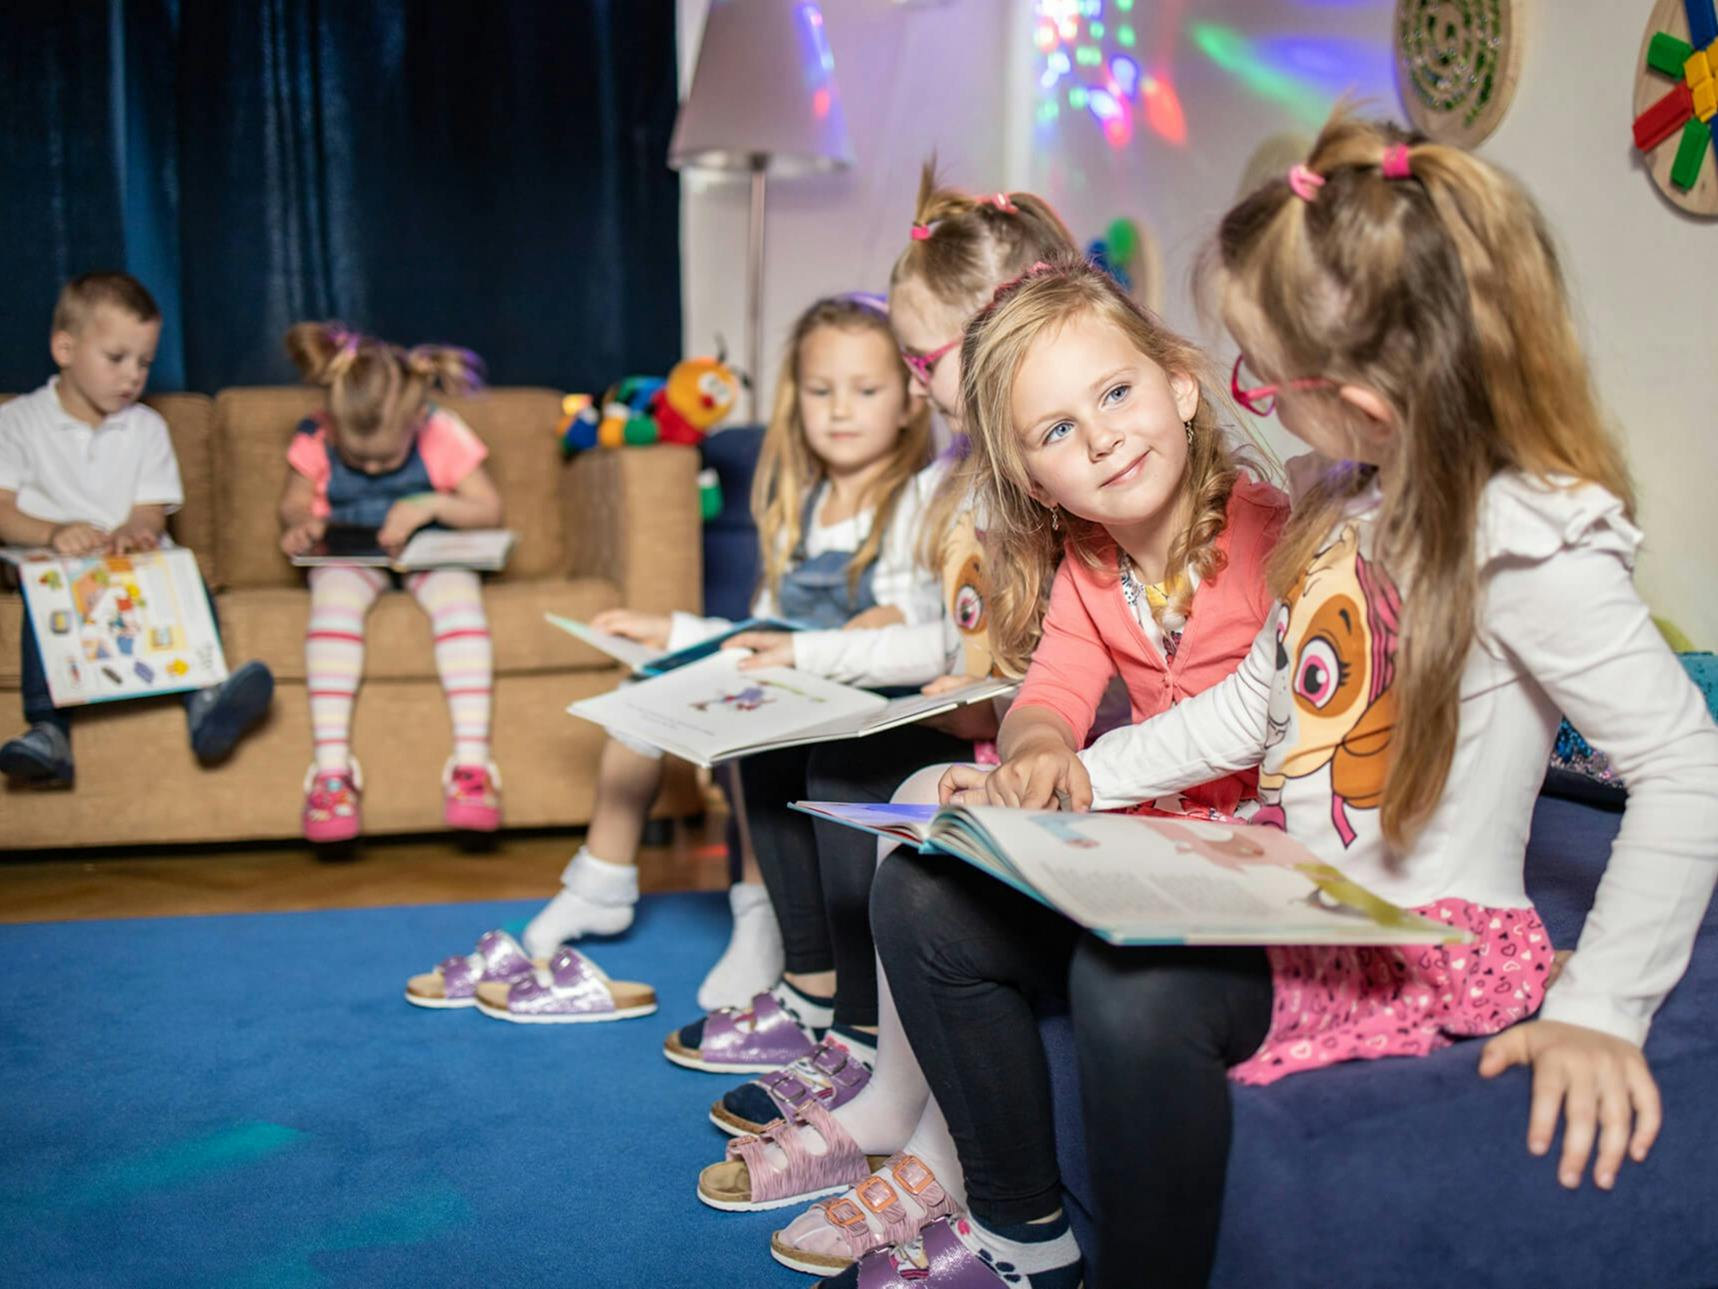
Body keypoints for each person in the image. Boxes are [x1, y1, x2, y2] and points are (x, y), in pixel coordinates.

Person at [874, 112, 1718, 1288]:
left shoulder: (1525, 538)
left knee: (1136, 990)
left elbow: (1686, 767)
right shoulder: (1348, 503)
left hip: (1410, 938)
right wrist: (1071, 782)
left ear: (1361, 394)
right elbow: (1254, 707)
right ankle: (1025, 1236)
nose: (1255, 398)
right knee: (928, 893)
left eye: (1264, 373)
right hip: (1283, 876)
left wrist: (1600, 1006)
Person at [726, 260, 1285, 1281]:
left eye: (1115, 393)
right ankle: (1022, 1227)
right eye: (1058, 429)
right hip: (1144, 845)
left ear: (1180, 385)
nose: (1102, 436)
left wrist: (1081, 771)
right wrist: (1032, 750)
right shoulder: (1091, 567)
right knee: (919, 894)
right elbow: (1048, 694)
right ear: (1033, 480)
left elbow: (1271, 715)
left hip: (1255, 871)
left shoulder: (1272, 535)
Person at [518, 293, 939, 1015]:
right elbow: (762, 626)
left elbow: (904, 624)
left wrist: (855, 630)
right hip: (787, 670)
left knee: (752, 724)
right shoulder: (801, 505)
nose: (841, 410)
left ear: (908, 400)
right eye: (821, 391)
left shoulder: (910, 504)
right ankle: (602, 878)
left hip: (860, 694)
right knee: (644, 683)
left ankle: (758, 912)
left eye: (866, 391)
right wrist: (674, 633)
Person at [0, 271, 273, 785]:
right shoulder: (17, 422)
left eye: (144, 363)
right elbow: (3, 510)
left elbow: (152, 511)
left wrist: (135, 531)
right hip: (53, 564)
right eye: (117, 358)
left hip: (128, 566)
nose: (132, 376)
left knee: (184, 573)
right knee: (45, 590)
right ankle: (47, 730)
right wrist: (54, 534)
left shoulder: (148, 428)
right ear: (64, 348)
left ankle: (206, 702)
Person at [278, 321, 501, 841]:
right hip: (352, 553)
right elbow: (292, 503)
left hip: (430, 553)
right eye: (358, 458)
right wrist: (302, 523)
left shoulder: (441, 430)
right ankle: (332, 773)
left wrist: (431, 505)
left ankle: (472, 768)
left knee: (461, 602)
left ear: (416, 421)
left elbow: (489, 509)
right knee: (332, 602)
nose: (374, 468)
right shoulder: (315, 432)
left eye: (387, 457)